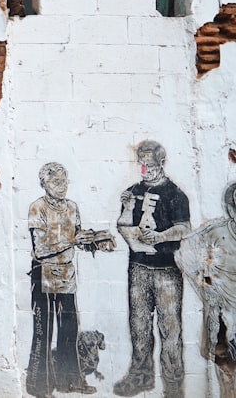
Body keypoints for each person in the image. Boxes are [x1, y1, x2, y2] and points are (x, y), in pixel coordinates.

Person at [25, 163, 115, 397]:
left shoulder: (72, 207)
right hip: (43, 274)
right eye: (56, 182)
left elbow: (77, 239)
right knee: (43, 332)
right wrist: (72, 241)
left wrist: (97, 241)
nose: (62, 186)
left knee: (69, 331)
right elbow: (40, 250)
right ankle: (39, 387)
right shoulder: (37, 208)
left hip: (66, 275)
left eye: (64, 181)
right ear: (43, 184)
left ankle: (70, 381)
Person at [113, 140, 190, 398]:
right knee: (138, 324)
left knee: (170, 327)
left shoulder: (175, 194)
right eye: (142, 164)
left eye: (151, 165)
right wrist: (127, 209)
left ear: (162, 163)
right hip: (138, 267)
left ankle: (172, 385)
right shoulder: (133, 191)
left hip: (167, 270)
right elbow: (123, 226)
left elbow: (184, 229)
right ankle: (141, 375)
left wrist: (160, 237)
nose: (145, 169)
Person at [177, 181, 236, 398]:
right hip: (223, 319)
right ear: (230, 208)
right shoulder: (216, 232)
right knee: (228, 376)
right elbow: (185, 253)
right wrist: (206, 287)